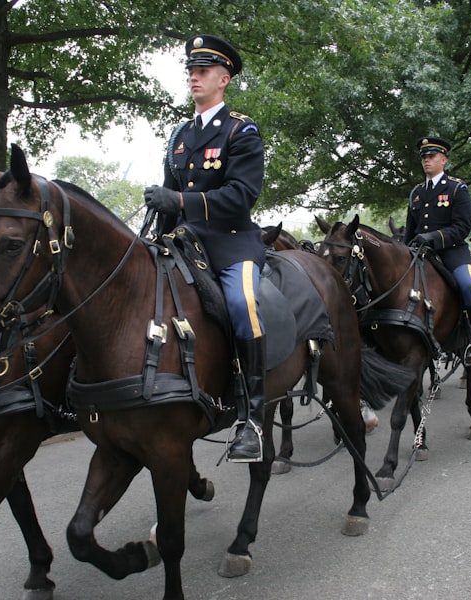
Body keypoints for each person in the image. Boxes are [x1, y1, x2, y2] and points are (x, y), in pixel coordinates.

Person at [144, 34, 267, 462]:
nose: (193, 77)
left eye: (203, 71)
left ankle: (251, 417)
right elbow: (170, 197)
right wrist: (158, 225)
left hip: (232, 243)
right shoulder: (179, 135)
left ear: (224, 79)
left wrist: (180, 201)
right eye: (191, 71)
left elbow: (241, 196)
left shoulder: (241, 130)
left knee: (243, 302)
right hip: (183, 242)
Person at [403, 136, 471, 367]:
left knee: (468, 285)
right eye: (424, 157)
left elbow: (462, 228)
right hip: (420, 253)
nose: (427, 160)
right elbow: (410, 231)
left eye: (432, 156)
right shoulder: (416, 193)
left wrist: (432, 237)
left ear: (444, 160)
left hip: (451, 251)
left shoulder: (457, 188)